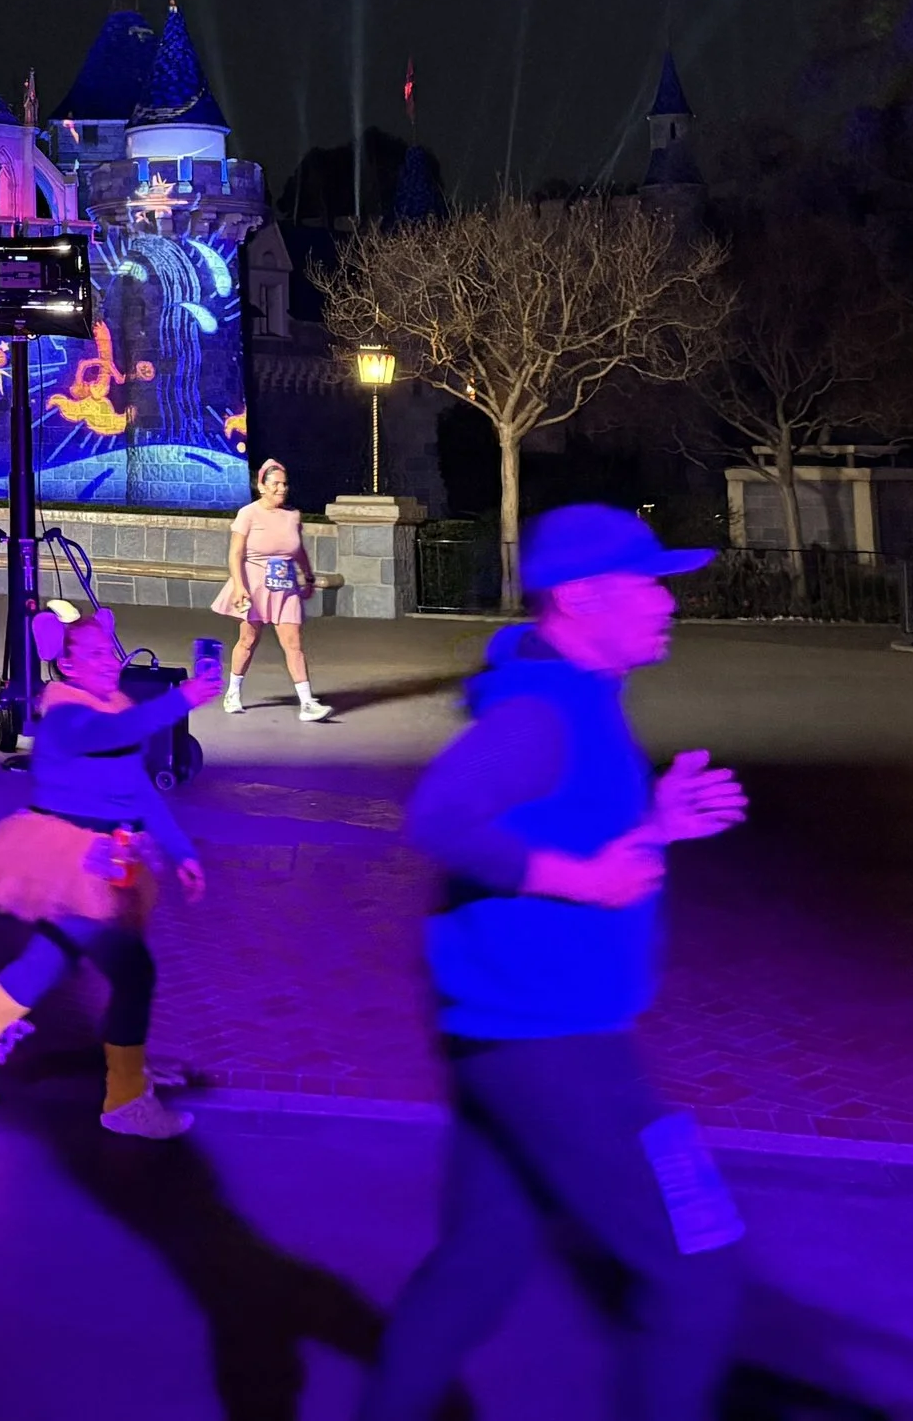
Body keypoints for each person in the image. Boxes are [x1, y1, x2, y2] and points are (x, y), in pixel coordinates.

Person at [360, 506, 749, 1421]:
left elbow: (574, 835)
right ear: (578, 597)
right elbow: (440, 816)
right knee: (700, 1267)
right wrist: (582, 877)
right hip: (557, 1051)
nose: (667, 603)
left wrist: (657, 824)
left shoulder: (573, 696)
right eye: (648, 582)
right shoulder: (540, 711)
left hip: (510, 1039)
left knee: (476, 1270)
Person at [0, 603, 220, 1137]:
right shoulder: (65, 714)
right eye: (93, 654)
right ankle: (126, 1098)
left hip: (114, 853)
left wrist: (182, 852)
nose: (108, 661)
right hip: (72, 858)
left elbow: (138, 789)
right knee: (131, 972)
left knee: (51, 959)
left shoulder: (113, 704)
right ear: (67, 665)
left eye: (110, 650)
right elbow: (112, 735)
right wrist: (183, 698)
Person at [215, 457, 331, 721]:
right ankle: (233, 692)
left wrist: (309, 576)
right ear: (262, 486)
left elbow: (298, 549)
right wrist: (239, 587)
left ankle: (307, 703)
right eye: (276, 484)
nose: (281, 488)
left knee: (293, 643)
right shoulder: (248, 513)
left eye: (284, 484)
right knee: (248, 640)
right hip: (254, 584)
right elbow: (235, 554)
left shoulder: (293, 515)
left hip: (285, 586)